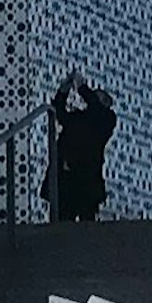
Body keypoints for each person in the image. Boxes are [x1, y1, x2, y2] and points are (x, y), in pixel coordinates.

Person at [42, 67, 116, 224]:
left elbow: (95, 110)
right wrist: (64, 90)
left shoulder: (107, 119)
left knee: (86, 222)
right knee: (62, 220)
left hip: (86, 179)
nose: (93, 100)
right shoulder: (79, 118)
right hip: (66, 177)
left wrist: (82, 87)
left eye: (99, 98)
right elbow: (60, 113)